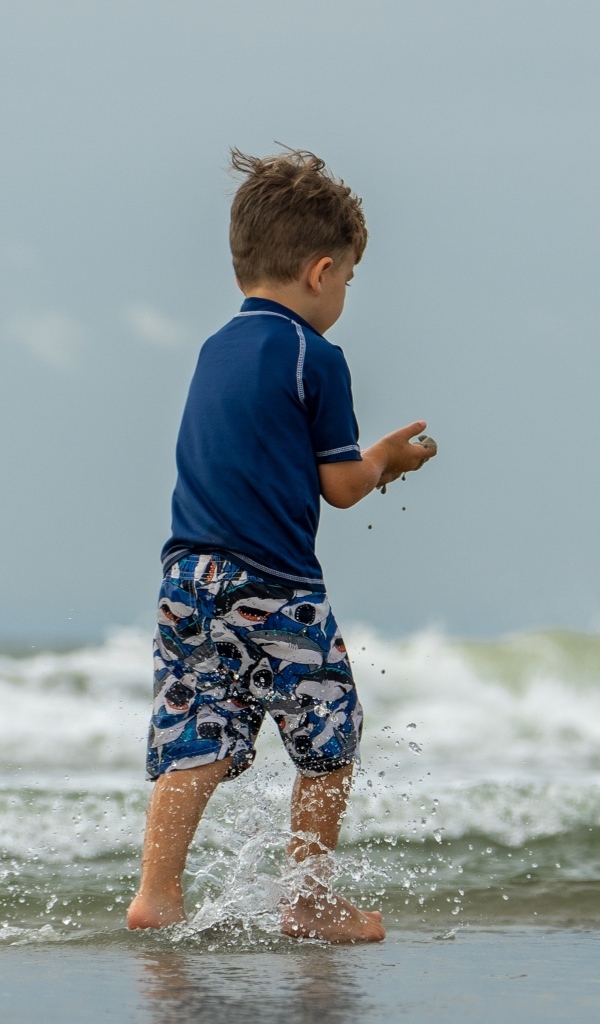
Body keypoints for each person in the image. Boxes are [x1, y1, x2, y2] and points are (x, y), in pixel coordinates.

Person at [127, 148, 436, 943]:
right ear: (321, 271)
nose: (344, 298)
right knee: (331, 728)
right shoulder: (315, 357)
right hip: (273, 579)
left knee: (196, 726)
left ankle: (157, 893)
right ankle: (308, 899)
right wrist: (387, 463)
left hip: (186, 572)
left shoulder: (214, 348)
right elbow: (340, 486)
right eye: (349, 281)